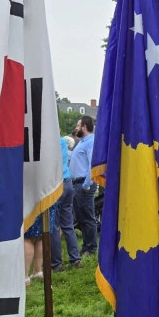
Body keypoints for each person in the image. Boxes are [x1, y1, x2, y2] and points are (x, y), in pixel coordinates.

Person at [51, 135, 81, 272]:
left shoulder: (48, 141)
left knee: (54, 226)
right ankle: (75, 258)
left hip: (56, 184)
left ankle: (56, 263)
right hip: (67, 182)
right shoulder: (62, 141)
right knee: (68, 224)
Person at [70, 115, 97, 257]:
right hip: (77, 184)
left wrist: (86, 184)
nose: (76, 128)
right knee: (81, 217)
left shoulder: (90, 142)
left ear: (84, 127)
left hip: (84, 184)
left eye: (78, 125)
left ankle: (91, 248)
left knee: (87, 217)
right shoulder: (82, 142)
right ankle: (86, 245)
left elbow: (92, 164)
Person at [24, 205, 57, 286]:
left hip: (32, 204)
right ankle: (38, 271)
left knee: (27, 239)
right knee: (41, 236)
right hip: (47, 202)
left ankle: (24, 276)